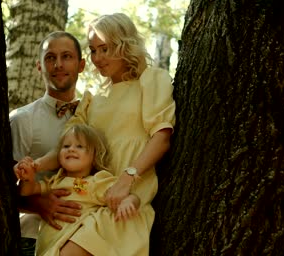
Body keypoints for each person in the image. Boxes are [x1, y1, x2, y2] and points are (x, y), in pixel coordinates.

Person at [24, 13, 176, 255]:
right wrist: (34, 165)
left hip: (124, 202)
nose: (97, 58)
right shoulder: (91, 101)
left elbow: (162, 137)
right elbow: (65, 147)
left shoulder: (151, 80)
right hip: (85, 200)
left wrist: (126, 180)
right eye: (93, 50)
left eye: (104, 49)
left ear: (124, 44)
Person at [9, 31, 86, 256]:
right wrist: (39, 205)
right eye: (50, 58)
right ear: (39, 66)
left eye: (67, 57)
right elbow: (0, 187)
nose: (58, 64)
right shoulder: (22, 119)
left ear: (81, 65)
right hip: (34, 237)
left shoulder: (94, 115)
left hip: (85, 238)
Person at [15, 124, 140, 256]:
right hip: (50, 244)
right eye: (66, 146)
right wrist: (27, 176)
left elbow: (127, 195)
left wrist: (129, 202)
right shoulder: (55, 181)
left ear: (94, 155)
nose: (71, 149)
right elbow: (27, 191)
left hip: (73, 243)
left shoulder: (97, 181)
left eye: (80, 146)